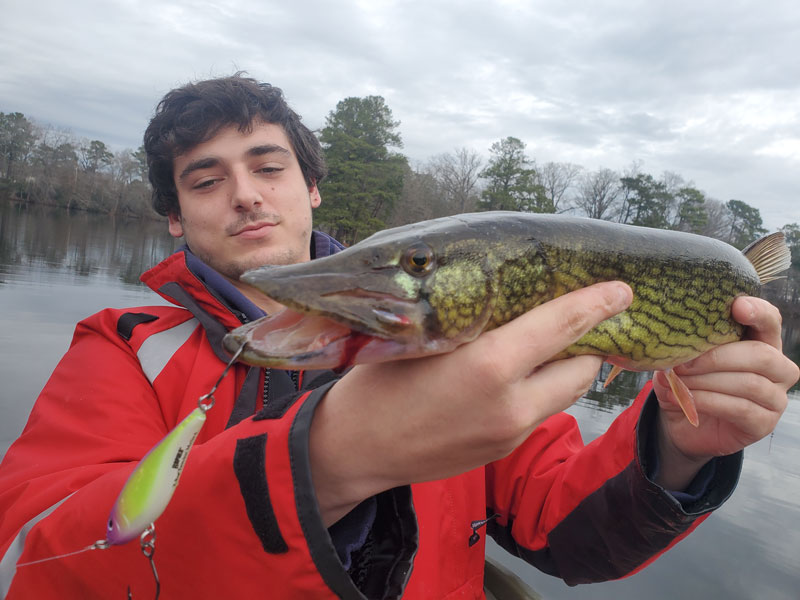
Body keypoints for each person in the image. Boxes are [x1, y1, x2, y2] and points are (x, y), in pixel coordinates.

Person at [0, 74, 797, 599]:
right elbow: (36, 563)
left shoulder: (472, 351)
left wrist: (683, 449)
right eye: (206, 179)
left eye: (267, 167)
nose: (244, 196)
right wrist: (330, 461)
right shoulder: (124, 351)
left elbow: (566, 531)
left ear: (311, 187)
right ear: (175, 216)